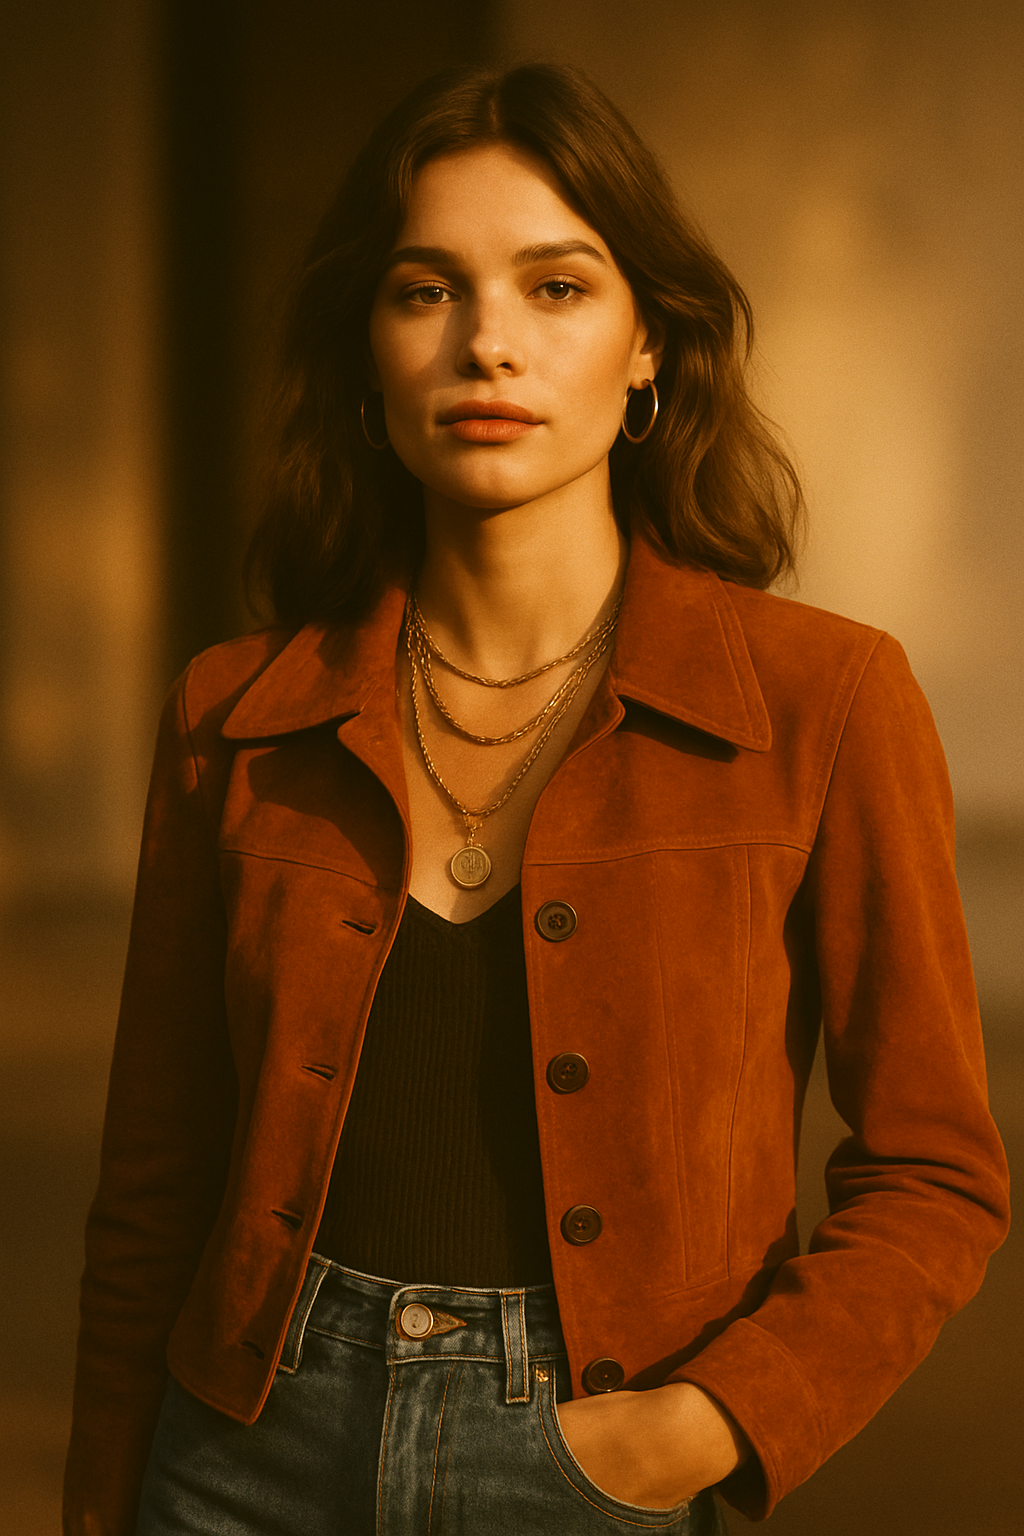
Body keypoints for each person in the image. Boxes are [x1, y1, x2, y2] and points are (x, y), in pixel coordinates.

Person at [64, 62, 1009, 1535]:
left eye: (557, 288)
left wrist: (709, 1423)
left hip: (593, 1460)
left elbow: (935, 1172)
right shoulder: (235, 714)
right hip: (237, 1454)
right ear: (368, 352)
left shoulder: (823, 703)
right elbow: (151, 1190)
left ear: (650, 348)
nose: (487, 342)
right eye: (425, 289)